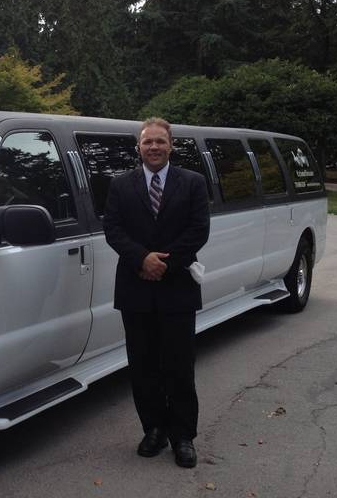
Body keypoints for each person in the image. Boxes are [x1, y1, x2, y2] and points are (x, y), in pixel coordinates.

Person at [102, 117, 211, 468]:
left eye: (160, 142)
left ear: (171, 145)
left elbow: (199, 230)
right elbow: (113, 229)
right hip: (135, 289)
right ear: (139, 146)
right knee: (143, 366)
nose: (154, 147)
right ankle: (154, 429)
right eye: (148, 142)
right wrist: (141, 259)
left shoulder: (192, 183)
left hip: (176, 288)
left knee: (179, 366)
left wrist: (164, 263)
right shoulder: (120, 185)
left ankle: (183, 437)